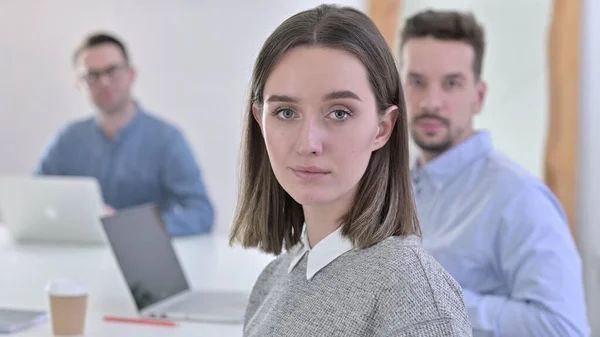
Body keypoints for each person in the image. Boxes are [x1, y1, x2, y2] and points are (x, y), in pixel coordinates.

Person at [229, 4, 472, 336]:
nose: (308, 143)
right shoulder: (272, 281)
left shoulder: (413, 295)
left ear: (382, 128)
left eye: (339, 113)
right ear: (260, 121)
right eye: (286, 112)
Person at [400, 9, 590, 336]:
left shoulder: (519, 198)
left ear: (479, 96)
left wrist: (434, 299)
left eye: (451, 84)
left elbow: (563, 328)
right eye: (417, 82)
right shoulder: (391, 189)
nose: (431, 102)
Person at [35, 32, 215, 237]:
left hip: (144, 258)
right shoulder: (67, 139)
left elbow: (200, 213)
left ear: (131, 74)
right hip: (77, 256)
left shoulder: (167, 139)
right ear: (79, 85)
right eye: (92, 76)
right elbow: (34, 199)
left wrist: (132, 228)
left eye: (112, 70)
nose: (104, 82)